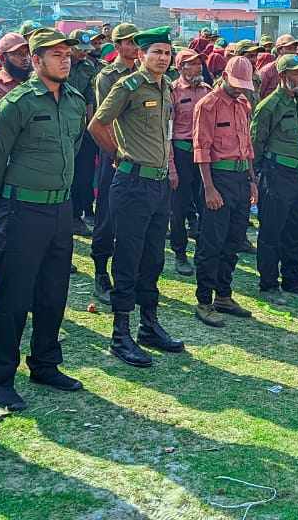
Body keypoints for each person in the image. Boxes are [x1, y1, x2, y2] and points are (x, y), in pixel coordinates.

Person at [0, 28, 87, 411]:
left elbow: (72, 149)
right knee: (12, 296)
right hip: (22, 210)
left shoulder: (75, 101)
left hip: (60, 210)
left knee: (53, 292)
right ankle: (0, 376)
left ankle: (45, 363)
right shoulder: (18, 102)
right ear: (36, 60)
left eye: (67, 53)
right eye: (55, 54)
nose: (64, 59)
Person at [87, 26, 184, 368]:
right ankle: (120, 333)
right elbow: (98, 124)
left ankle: (149, 324)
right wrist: (117, 155)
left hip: (158, 186)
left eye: (167, 52)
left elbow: (166, 134)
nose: (162, 58)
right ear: (141, 55)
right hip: (131, 184)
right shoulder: (127, 85)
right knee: (127, 259)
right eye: (155, 52)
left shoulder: (167, 87)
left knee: (154, 258)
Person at [191, 56, 256, 326]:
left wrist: (252, 180)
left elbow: (248, 145)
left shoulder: (243, 104)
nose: (240, 88)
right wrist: (209, 189)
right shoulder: (208, 105)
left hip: (241, 177)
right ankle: (204, 300)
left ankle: (224, 294)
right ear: (225, 76)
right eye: (236, 82)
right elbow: (201, 149)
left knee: (235, 239)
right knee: (211, 242)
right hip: (218, 177)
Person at [250, 53, 298, 296]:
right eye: (297, 72)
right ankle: (268, 282)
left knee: (297, 228)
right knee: (271, 229)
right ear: (282, 76)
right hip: (276, 172)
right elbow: (256, 144)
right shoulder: (269, 106)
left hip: (297, 173)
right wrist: (255, 177)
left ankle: (293, 278)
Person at [89, 23, 141, 304]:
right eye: (129, 42)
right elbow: (103, 119)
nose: (134, 47)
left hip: (140, 155)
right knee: (107, 216)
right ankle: (100, 271)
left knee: (132, 218)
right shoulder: (107, 77)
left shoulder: (144, 74)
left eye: (137, 42)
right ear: (117, 45)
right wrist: (115, 153)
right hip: (116, 155)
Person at [167, 47, 210, 276]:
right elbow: (168, 132)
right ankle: (180, 253)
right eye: (191, 64)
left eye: (198, 63)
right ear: (180, 68)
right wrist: (171, 167)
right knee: (179, 207)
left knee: (205, 204)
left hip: (203, 155)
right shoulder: (172, 92)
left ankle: (203, 250)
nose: (196, 67)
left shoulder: (207, 91)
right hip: (181, 153)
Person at [66, 32, 102, 235]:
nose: (83, 54)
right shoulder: (60, 66)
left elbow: (90, 98)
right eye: (80, 49)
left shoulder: (88, 67)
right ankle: (68, 216)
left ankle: (78, 214)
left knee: (84, 175)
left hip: (82, 129)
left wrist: (89, 126)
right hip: (64, 127)